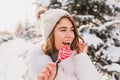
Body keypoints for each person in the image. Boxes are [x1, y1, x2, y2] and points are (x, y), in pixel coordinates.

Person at [27, 8, 100, 80]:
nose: (70, 35)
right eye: (63, 30)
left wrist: (82, 57)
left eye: (72, 30)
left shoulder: (77, 57)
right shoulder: (39, 66)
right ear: (50, 35)